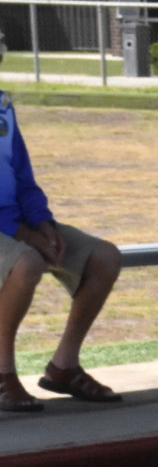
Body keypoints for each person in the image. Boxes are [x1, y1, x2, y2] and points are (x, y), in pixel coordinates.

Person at [0, 38, 125, 412]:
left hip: (17, 221)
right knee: (27, 263)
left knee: (104, 256)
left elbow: (21, 172)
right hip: (10, 228)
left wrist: (43, 223)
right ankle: (3, 373)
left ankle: (63, 367)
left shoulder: (3, 103)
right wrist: (23, 233)